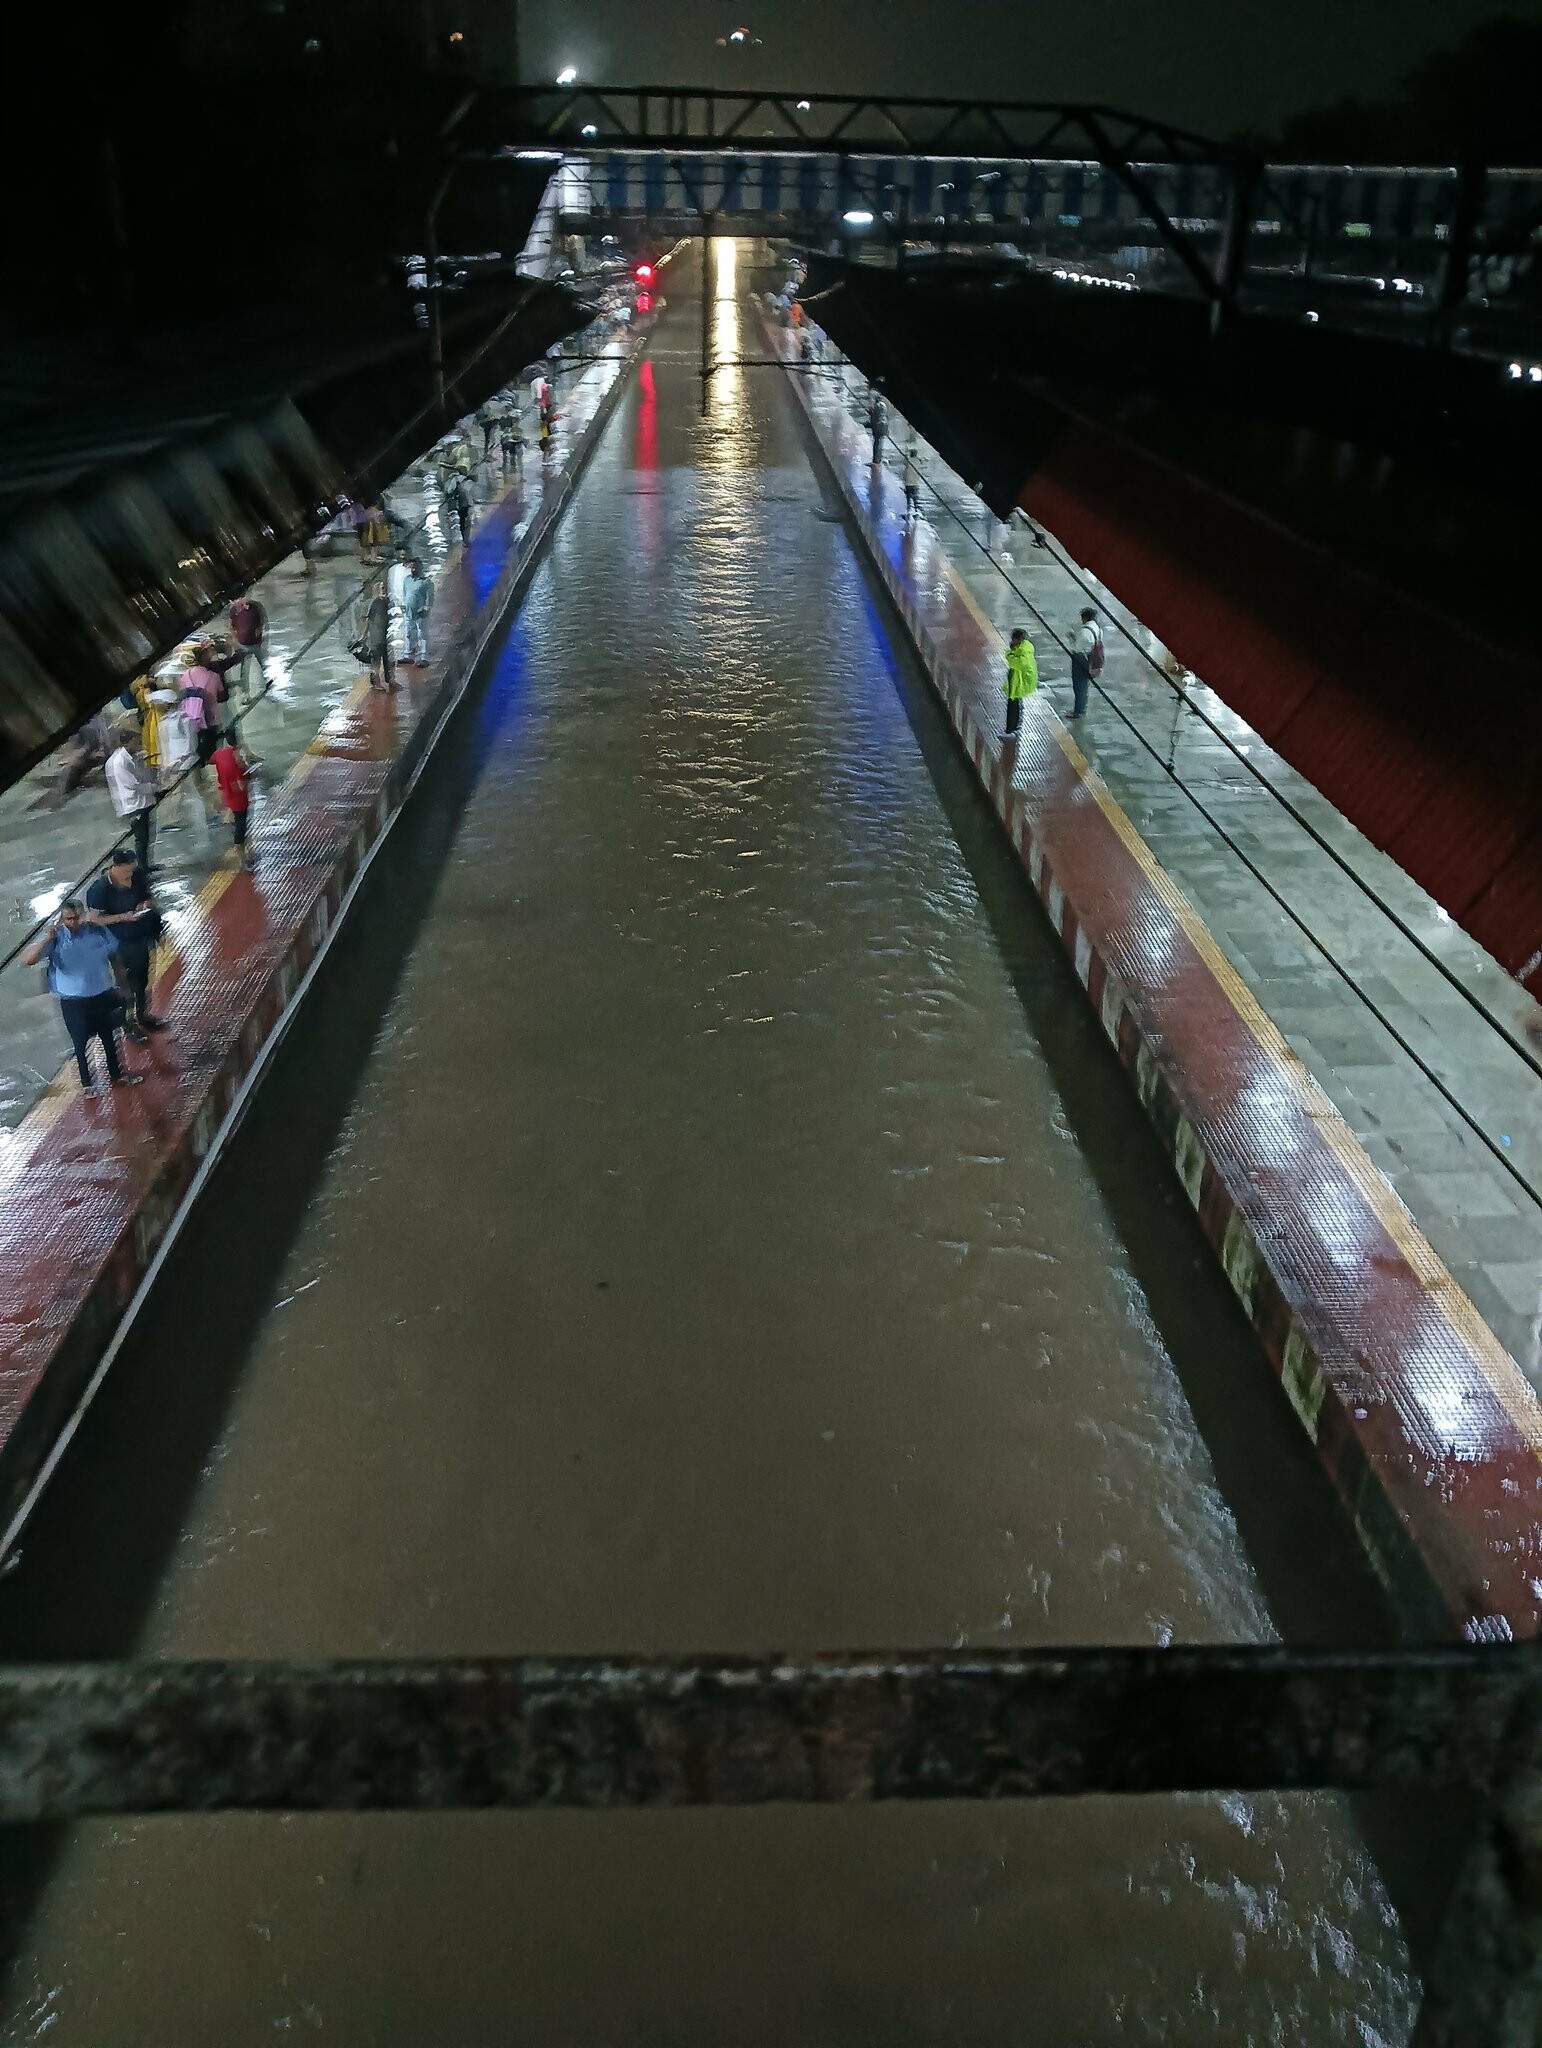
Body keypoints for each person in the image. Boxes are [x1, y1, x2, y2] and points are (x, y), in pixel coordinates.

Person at [23, 901, 141, 1091]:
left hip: (101, 995)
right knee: (80, 1043)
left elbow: (115, 960)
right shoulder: (56, 939)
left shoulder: (99, 932)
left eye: (77, 917)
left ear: (84, 915)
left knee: (108, 1038)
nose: (74, 922)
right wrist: (47, 939)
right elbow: (29, 960)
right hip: (73, 1002)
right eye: (68, 919)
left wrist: (123, 986)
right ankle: (87, 1084)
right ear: (62, 919)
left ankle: (116, 1075)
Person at [87, 847, 166, 1040]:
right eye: (127, 871)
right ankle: (127, 1025)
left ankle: (142, 1014)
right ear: (116, 867)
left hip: (139, 936)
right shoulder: (99, 889)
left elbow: (148, 895)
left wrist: (145, 905)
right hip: (118, 944)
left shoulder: (137, 876)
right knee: (125, 985)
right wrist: (122, 917)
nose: (130, 874)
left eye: (132, 870)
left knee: (142, 979)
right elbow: (94, 919)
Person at [105, 729, 157, 872]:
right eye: (136, 742)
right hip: (134, 804)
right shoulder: (120, 762)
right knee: (141, 839)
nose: (139, 744)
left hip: (143, 801)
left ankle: (146, 865)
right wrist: (153, 788)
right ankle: (141, 868)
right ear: (127, 743)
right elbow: (132, 785)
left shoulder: (132, 757)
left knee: (146, 837)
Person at [211, 731, 257, 869]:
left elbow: (213, 761)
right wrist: (249, 774)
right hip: (239, 799)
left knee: (238, 824)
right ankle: (243, 859)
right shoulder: (236, 765)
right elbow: (241, 786)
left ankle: (244, 856)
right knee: (241, 827)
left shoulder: (220, 753)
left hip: (228, 794)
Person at [1000, 627, 1038, 742]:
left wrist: (1009, 653)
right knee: (1016, 703)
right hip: (1019, 680)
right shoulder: (1025, 648)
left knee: (1013, 705)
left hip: (1018, 681)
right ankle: (1015, 727)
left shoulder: (1023, 652)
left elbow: (1014, 662)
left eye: (1013, 639)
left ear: (1017, 639)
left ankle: (1011, 730)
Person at [228, 595, 268, 703]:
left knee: (263, 665)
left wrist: (262, 634)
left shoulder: (256, 607)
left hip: (256, 644)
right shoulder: (233, 611)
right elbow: (231, 626)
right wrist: (235, 640)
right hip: (242, 645)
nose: (237, 601)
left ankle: (268, 688)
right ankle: (246, 695)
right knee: (244, 671)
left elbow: (264, 621)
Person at [359, 579, 395, 691]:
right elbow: (368, 620)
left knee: (387, 658)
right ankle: (375, 683)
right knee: (376, 659)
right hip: (376, 636)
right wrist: (363, 636)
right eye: (381, 588)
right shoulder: (374, 603)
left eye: (384, 588)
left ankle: (389, 678)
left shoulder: (387, 602)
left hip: (385, 634)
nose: (383, 590)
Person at [1070, 606, 1104, 718]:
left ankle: (1078, 711)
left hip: (1081, 658)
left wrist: (1072, 639)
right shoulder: (1097, 628)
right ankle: (1082, 708)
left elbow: (1077, 648)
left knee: (1079, 685)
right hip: (1092, 658)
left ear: (1085, 618)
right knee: (1084, 684)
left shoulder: (1085, 631)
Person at [401, 558, 434, 666]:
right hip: (409, 611)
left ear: (420, 567)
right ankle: (408, 655)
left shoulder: (426, 582)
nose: (413, 569)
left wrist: (426, 609)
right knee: (409, 633)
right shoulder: (407, 580)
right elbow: (405, 594)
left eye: (415, 567)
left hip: (420, 612)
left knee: (422, 634)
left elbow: (430, 597)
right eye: (412, 567)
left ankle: (424, 658)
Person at [443, 470, 473, 546]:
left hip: (461, 504)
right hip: (469, 504)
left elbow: (449, 491)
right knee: (468, 521)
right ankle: (467, 538)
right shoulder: (469, 480)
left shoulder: (455, 480)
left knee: (462, 521)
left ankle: (464, 540)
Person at [902, 444, 922, 523]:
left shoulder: (908, 461)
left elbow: (904, 462)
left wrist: (906, 453)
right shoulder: (918, 461)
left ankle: (908, 512)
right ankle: (916, 512)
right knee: (915, 499)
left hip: (908, 483)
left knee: (908, 499)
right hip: (915, 483)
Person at [868, 393, 887, 465]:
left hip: (877, 427)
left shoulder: (877, 405)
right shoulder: (884, 406)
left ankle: (875, 460)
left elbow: (874, 416)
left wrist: (870, 412)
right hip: (884, 426)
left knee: (876, 444)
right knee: (881, 444)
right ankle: (879, 459)